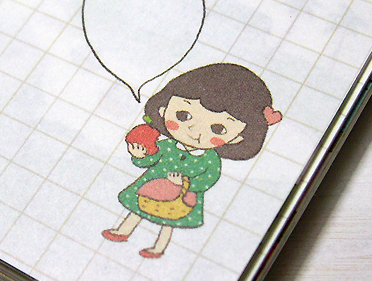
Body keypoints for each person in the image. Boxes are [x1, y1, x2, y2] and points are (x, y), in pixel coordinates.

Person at [102, 63, 283, 258]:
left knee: (169, 222)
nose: (195, 131)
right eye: (183, 116)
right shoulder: (167, 145)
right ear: (163, 109)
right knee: (136, 209)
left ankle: (158, 248)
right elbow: (150, 160)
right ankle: (123, 231)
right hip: (149, 187)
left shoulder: (209, 159)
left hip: (182, 198)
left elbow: (209, 178)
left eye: (218, 129)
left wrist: (185, 183)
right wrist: (140, 155)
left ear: (237, 138)